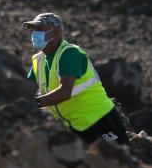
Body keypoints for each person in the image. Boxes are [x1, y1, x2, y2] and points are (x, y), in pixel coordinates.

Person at [23, 13, 128, 145]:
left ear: (55, 32)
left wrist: (33, 104)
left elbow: (65, 92)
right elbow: (25, 89)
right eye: (34, 30)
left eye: (39, 29)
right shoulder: (38, 61)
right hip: (76, 126)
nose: (34, 34)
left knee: (116, 163)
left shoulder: (69, 53)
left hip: (100, 120)